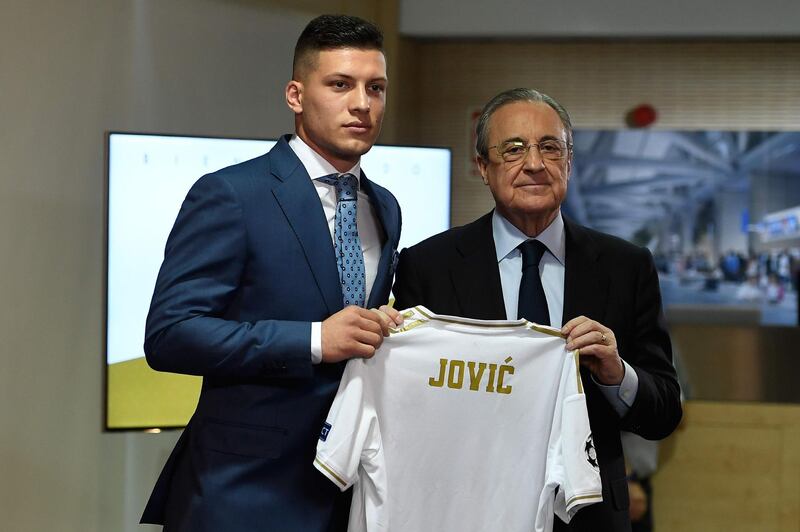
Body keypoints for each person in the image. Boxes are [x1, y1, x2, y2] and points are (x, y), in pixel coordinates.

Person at [140, 15, 402, 532]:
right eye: (340, 84)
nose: (362, 104)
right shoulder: (231, 194)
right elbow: (169, 336)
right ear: (296, 95)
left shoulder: (385, 207)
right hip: (242, 491)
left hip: (349, 493)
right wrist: (313, 340)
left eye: (376, 88)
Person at [392, 88, 682, 532]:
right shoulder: (428, 265)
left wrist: (616, 373)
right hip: (465, 510)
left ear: (569, 162)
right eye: (513, 149)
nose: (533, 163)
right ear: (482, 169)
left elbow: (664, 411)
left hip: (590, 517)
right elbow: (407, 406)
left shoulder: (626, 266)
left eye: (550, 148)